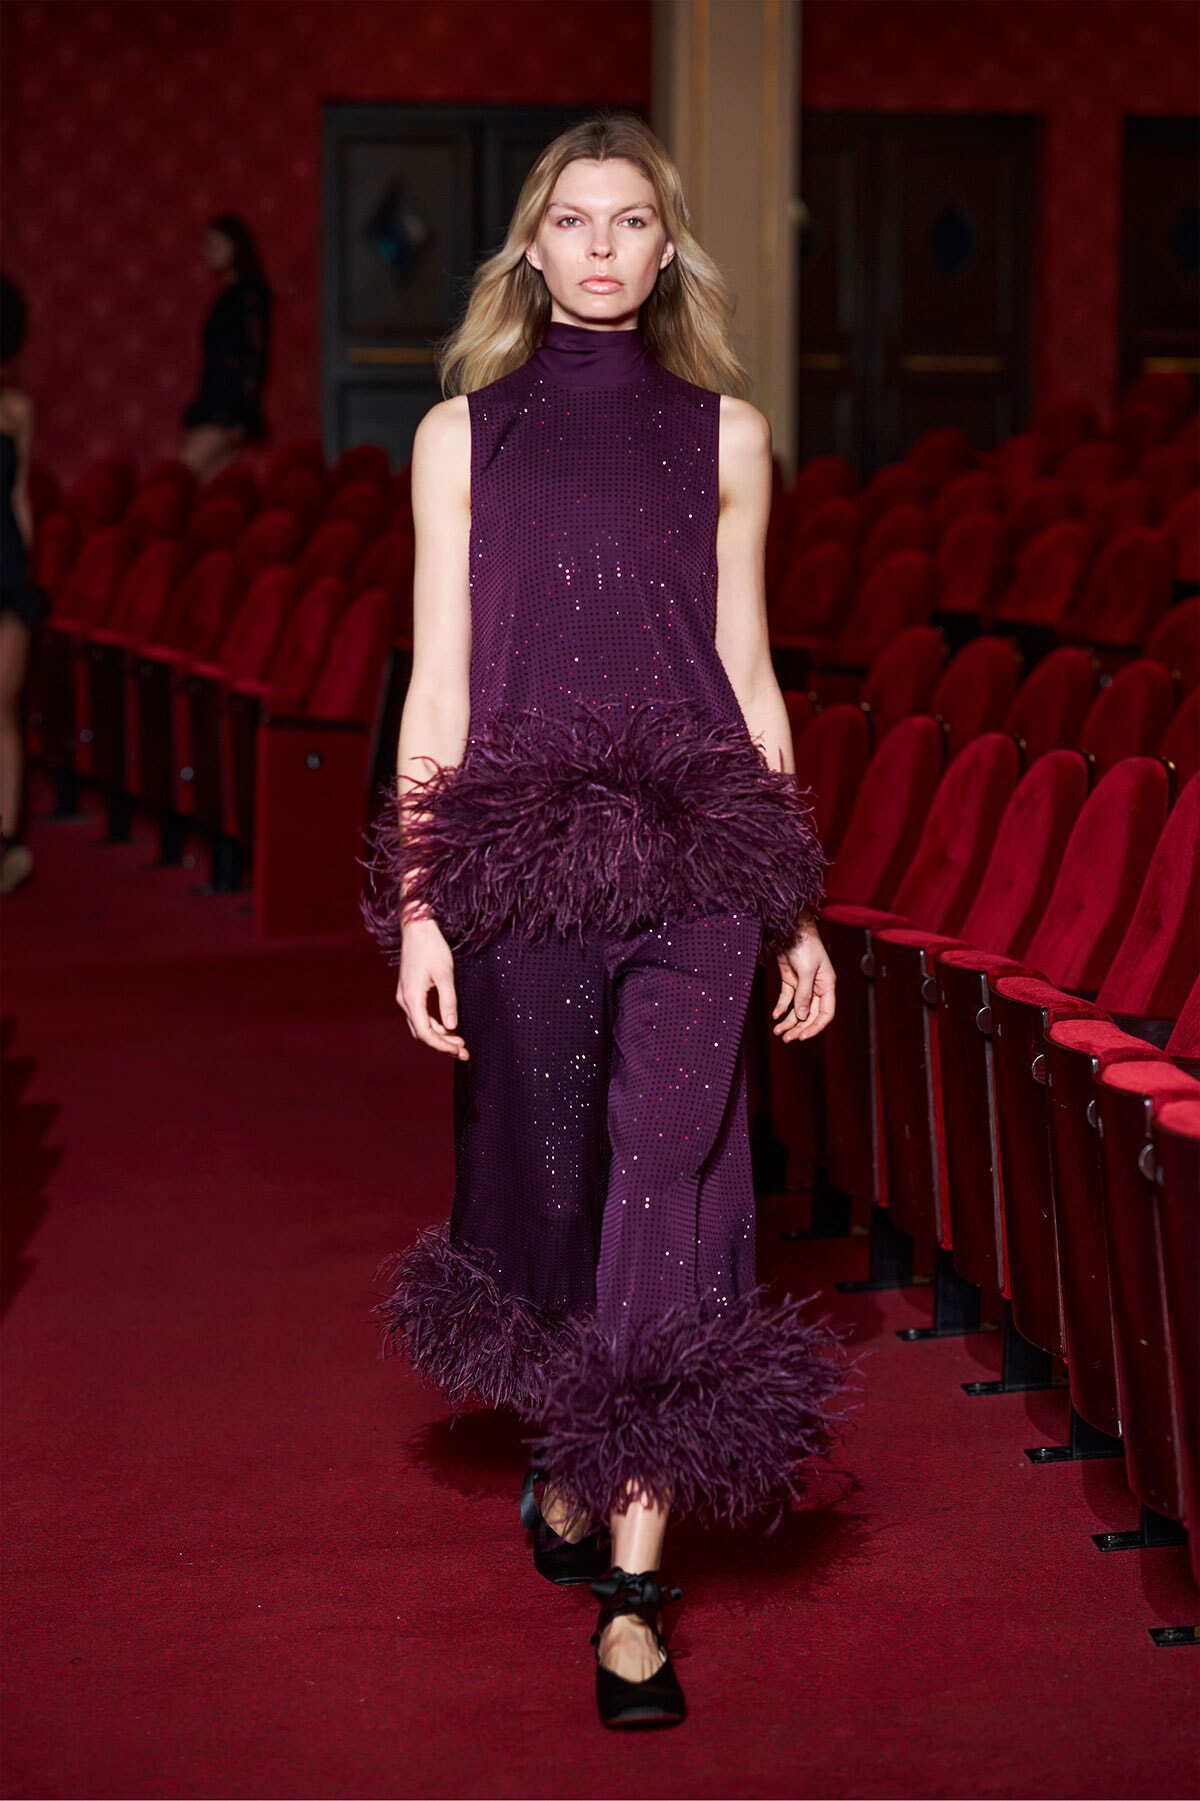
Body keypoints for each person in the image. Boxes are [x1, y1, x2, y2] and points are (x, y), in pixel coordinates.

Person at [364, 112, 857, 1729]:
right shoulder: (463, 438)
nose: (596, 246)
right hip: (517, 867)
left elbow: (753, 676)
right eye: (569, 220)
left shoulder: (728, 437)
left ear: (665, 251)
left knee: (668, 1178)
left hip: (698, 867)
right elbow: (435, 679)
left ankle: (635, 1589)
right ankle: (577, 1458)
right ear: (530, 246)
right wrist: (424, 903)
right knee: (551, 1188)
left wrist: (790, 903)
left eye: (628, 220)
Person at [0, 274, 49, 897]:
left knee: (2, 705)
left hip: (5, 565)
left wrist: (26, 572)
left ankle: (8, 841)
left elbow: (18, 497)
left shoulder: (16, 408)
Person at [180, 214, 272, 480]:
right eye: (207, 244)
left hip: (226, 406)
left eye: (216, 244)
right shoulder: (231, 295)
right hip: (214, 401)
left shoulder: (248, 296)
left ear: (236, 246)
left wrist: (243, 411)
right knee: (205, 490)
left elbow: (254, 358)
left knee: (181, 481)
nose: (208, 252)